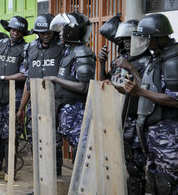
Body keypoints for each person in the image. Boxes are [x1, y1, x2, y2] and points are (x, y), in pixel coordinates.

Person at [124, 13, 178, 195]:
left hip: (169, 137)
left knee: (167, 184)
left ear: (159, 37)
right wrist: (128, 90)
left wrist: (140, 92)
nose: (143, 43)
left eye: (147, 39)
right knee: (154, 183)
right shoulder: (158, 57)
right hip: (153, 135)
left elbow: (174, 99)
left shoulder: (173, 60)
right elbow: (149, 87)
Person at [98, 20, 150, 195]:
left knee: (136, 166)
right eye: (123, 39)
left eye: (130, 38)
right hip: (118, 118)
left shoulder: (148, 61)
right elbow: (104, 83)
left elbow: (148, 90)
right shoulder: (119, 61)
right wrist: (102, 64)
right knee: (122, 164)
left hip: (137, 119)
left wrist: (131, 68)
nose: (126, 42)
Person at [43, 12, 96, 169]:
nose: (60, 33)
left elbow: (83, 87)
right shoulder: (69, 51)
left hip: (76, 110)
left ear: (72, 31)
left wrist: (55, 79)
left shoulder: (83, 53)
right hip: (64, 107)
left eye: (63, 29)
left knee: (80, 150)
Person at [17, 13, 65, 175]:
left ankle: (55, 179)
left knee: (55, 141)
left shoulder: (63, 49)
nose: (45, 36)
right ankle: (40, 181)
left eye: (49, 33)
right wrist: (21, 108)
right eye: (42, 33)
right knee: (35, 140)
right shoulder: (30, 49)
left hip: (56, 103)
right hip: (35, 104)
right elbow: (28, 81)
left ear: (54, 32)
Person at [0, 16, 29, 181]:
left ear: (23, 33)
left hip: (14, 97)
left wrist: (1, 78)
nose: (15, 33)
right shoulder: (1, 45)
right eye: (12, 29)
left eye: (18, 31)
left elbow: (24, 74)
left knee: (10, 135)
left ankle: (10, 170)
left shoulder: (26, 49)